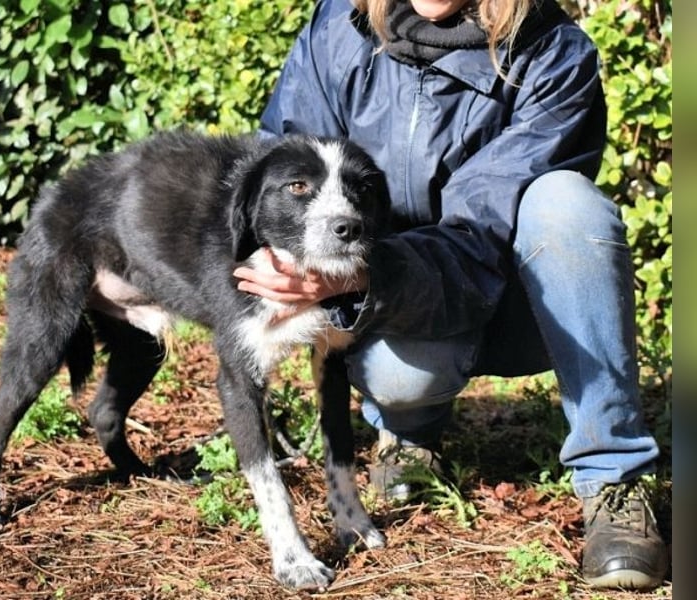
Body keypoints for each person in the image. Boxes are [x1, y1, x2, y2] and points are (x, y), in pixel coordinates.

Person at [232, 0, 668, 590]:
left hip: (518, 298)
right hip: (392, 298)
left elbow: (479, 232)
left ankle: (613, 477)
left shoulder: (552, 53)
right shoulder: (337, 30)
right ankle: (409, 431)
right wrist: (284, 264)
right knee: (399, 379)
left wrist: (357, 277)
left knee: (568, 205)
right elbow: (279, 163)